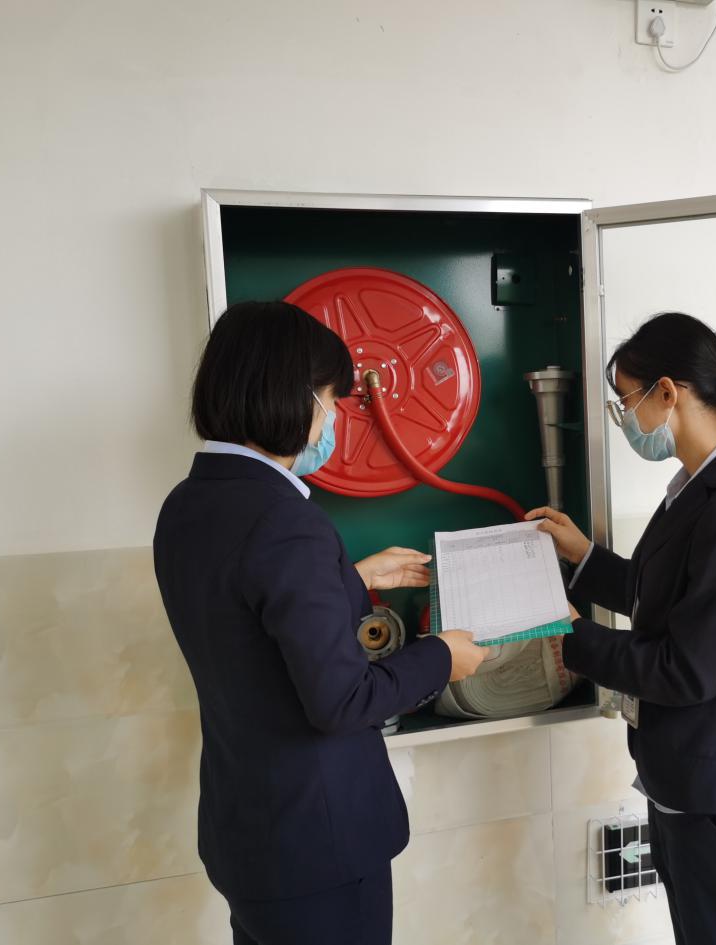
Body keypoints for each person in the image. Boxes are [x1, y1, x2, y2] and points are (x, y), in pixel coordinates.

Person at [153, 300, 485, 945]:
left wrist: (350, 579)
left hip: (248, 831)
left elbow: (245, 619)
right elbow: (341, 702)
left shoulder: (189, 503)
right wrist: (443, 656)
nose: (332, 419)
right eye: (331, 400)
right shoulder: (284, 520)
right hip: (318, 846)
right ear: (292, 395)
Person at [528, 311, 716, 945]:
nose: (624, 418)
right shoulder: (697, 484)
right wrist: (584, 558)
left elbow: (687, 668)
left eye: (624, 401)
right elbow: (665, 596)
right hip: (691, 775)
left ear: (666, 393)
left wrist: (572, 637)